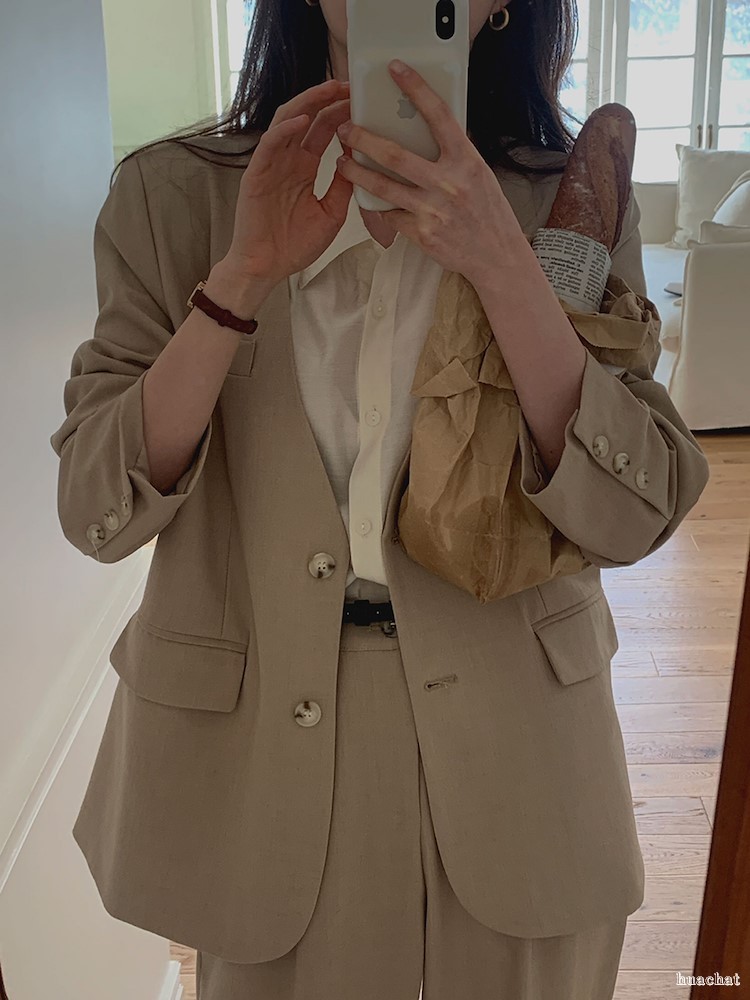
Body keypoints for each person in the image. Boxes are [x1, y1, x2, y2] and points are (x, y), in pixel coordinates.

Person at [49, 0, 711, 998]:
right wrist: (241, 278)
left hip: (522, 756)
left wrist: (503, 264)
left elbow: (637, 510)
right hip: (259, 761)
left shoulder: (568, 197)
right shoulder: (172, 196)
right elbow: (95, 505)